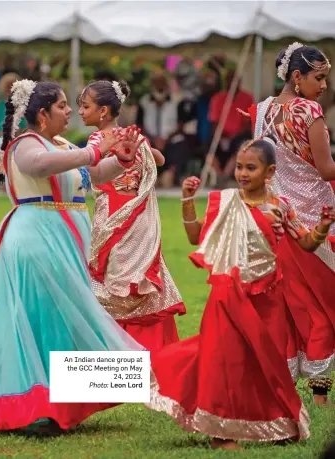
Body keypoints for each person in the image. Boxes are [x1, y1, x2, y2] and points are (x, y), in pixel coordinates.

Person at [0, 79, 146, 434]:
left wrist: (121, 161)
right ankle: (33, 407)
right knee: (40, 318)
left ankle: (58, 404)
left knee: (61, 320)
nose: (70, 111)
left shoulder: (59, 144)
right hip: (36, 237)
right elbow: (38, 166)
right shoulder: (23, 145)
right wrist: (93, 152)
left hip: (63, 239)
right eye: (63, 105)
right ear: (43, 115)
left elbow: (91, 176)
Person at [146, 138, 335, 450]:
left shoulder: (280, 206)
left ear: (270, 171)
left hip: (269, 297)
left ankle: (279, 423)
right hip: (229, 293)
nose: (243, 173)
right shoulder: (226, 202)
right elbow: (195, 236)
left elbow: (304, 243)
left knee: (268, 364)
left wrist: (323, 227)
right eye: (240, 167)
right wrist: (187, 200)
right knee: (226, 360)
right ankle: (221, 432)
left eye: (251, 167)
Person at [242, 43, 335, 404]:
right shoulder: (308, 110)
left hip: (279, 219)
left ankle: (293, 388)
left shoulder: (263, 111)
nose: (324, 85)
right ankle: (320, 396)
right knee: (322, 304)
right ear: (297, 77)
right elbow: (326, 170)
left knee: (295, 305)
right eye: (319, 77)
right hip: (317, 221)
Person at [77, 79, 186, 353]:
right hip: (138, 217)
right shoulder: (132, 136)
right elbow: (159, 160)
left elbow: (90, 172)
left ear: (103, 112)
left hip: (113, 213)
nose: (80, 111)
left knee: (113, 277)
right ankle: (150, 348)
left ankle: (113, 350)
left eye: (84, 106)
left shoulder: (97, 140)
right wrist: (142, 150)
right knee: (137, 275)